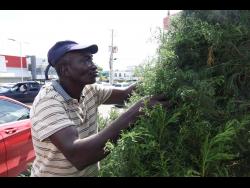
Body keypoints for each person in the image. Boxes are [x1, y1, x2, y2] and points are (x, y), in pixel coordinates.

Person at [30, 40, 169, 177]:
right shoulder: (48, 101)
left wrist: (161, 75)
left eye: (91, 60)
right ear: (65, 70)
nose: (94, 66)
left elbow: (126, 94)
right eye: (85, 61)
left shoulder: (90, 90)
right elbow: (79, 156)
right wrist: (138, 110)